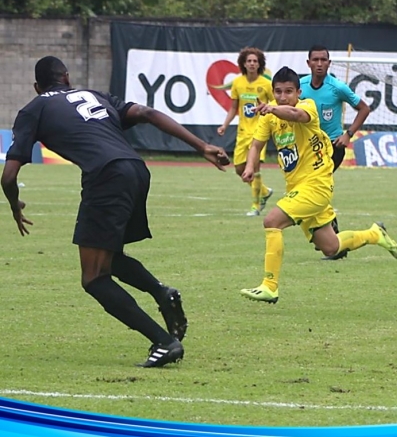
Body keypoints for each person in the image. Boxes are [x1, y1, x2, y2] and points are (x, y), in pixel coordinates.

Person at [1, 56, 230, 367]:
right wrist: (202, 147)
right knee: (109, 257)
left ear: (37, 87)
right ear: (67, 77)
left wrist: (14, 204)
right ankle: (162, 293)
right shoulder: (96, 96)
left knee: (94, 277)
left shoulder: (34, 108)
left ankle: (164, 342)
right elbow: (147, 113)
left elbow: (9, 175)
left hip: (106, 177)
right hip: (137, 171)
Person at [239, 67, 397, 304]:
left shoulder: (307, 106)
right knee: (330, 247)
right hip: (297, 186)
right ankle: (374, 234)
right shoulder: (270, 117)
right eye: (278, 92)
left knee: (272, 221)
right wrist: (251, 167)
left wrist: (273, 107)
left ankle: (269, 286)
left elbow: (295, 115)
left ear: (298, 92)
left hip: (316, 185)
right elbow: (255, 145)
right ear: (273, 91)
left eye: (288, 92)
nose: (283, 97)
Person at [300, 45, 371, 260]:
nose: (319, 64)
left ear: (329, 63)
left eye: (323, 60)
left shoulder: (338, 87)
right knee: (311, 187)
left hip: (332, 147)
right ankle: (328, 236)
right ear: (308, 63)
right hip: (308, 148)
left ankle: (332, 238)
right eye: (315, 60)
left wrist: (349, 133)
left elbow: (364, 108)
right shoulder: (300, 85)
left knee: (314, 186)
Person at [217, 47, 274, 216]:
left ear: (260, 64)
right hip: (242, 132)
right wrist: (224, 125)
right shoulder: (237, 83)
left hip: (259, 132)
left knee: (254, 169)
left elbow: (274, 104)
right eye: (249, 61)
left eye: (255, 61)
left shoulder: (266, 84)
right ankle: (263, 191)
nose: (252, 64)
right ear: (243, 63)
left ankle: (256, 206)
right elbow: (234, 107)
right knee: (239, 169)